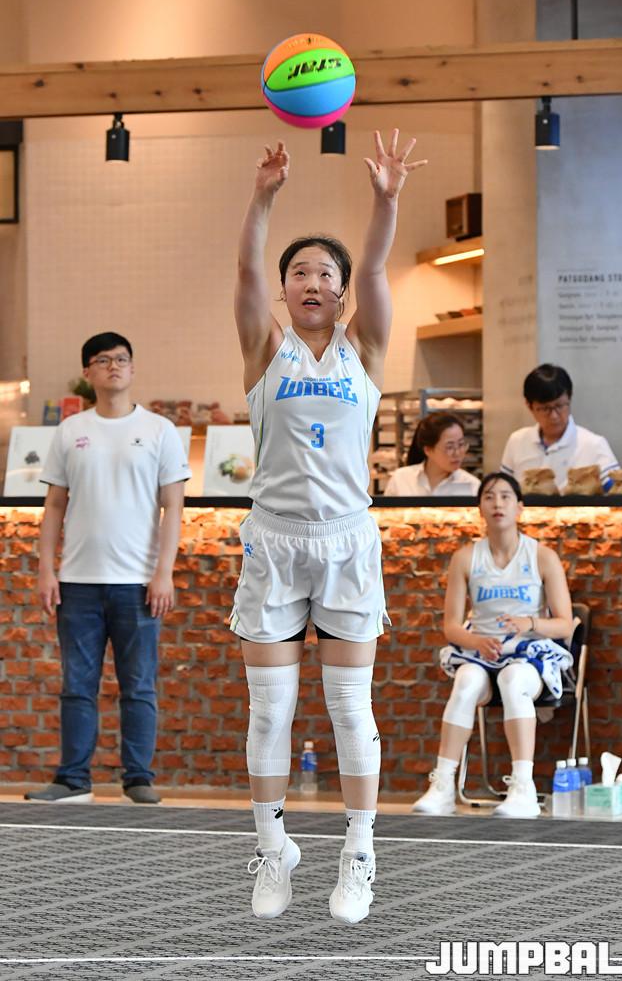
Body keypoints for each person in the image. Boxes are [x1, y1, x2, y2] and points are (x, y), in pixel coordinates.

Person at [231, 131, 426, 924]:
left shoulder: (364, 351)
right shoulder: (264, 349)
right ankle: (272, 849)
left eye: (326, 274)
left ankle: (359, 853)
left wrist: (386, 200)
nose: (313, 282)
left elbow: (378, 267)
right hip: (275, 542)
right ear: (285, 292)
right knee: (270, 711)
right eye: (300, 273)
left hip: (346, 540)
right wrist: (264, 195)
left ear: (343, 293)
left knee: (350, 708)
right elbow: (246, 270)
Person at [25, 332, 190, 806]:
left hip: (138, 584)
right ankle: (72, 779)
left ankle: (138, 778)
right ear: (88, 373)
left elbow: (173, 508)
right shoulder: (70, 430)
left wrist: (164, 572)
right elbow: (54, 506)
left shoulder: (159, 430)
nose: (114, 366)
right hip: (77, 583)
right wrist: (46, 569)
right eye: (103, 360)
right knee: (77, 687)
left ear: (132, 368)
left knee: (138, 686)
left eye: (121, 359)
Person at [412, 472, 573, 819]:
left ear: (520, 507)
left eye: (505, 496)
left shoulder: (543, 556)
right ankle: (443, 785)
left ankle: (523, 787)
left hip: (529, 654)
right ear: (480, 508)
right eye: (489, 496)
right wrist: (476, 641)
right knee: (466, 680)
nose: (497, 503)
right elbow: (451, 626)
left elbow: (565, 624)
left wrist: (530, 623)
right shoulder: (465, 557)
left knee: (513, 680)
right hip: (482, 653)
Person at [500, 363, 619, 492]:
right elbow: (502, 491)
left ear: (569, 399)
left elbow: (617, 493)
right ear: (529, 406)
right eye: (545, 409)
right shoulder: (517, 441)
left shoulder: (593, 445)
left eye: (560, 406)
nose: (554, 416)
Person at [384, 413, 480, 496]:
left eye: (461, 444)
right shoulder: (401, 479)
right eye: (449, 447)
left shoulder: (472, 485)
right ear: (428, 450)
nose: (457, 453)